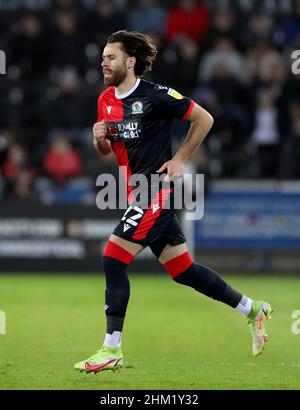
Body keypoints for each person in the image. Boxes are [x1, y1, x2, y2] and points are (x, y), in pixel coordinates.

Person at [74, 30, 273, 373]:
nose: (103, 62)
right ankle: (253, 309)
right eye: (103, 57)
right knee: (183, 271)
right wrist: (100, 142)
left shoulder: (156, 95)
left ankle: (111, 349)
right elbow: (111, 151)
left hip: (160, 189)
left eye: (110, 56)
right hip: (136, 192)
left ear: (130, 62)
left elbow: (204, 119)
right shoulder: (105, 99)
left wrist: (180, 158)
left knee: (112, 258)